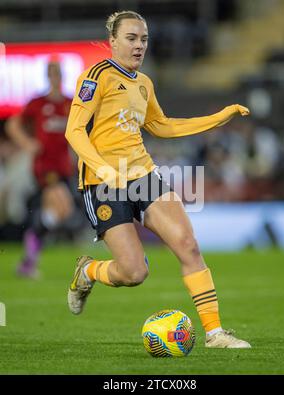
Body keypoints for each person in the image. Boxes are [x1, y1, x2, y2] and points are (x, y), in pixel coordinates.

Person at [65, 10, 251, 348]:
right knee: (135, 273)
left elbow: (161, 126)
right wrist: (103, 168)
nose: (139, 46)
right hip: (102, 182)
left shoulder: (144, 83)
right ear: (113, 41)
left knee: (188, 245)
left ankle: (214, 333)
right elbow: (74, 131)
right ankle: (88, 271)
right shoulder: (96, 76)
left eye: (144, 39)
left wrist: (216, 118)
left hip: (143, 175)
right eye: (131, 38)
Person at [6, 61, 75, 278]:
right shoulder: (38, 103)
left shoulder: (70, 103)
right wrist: (28, 144)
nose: (55, 78)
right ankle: (29, 254)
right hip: (45, 166)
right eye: (52, 74)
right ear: (48, 77)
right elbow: (12, 125)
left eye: (58, 74)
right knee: (62, 205)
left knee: (58, 212)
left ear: (62, 76)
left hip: (64, 166)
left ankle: (29, 258)